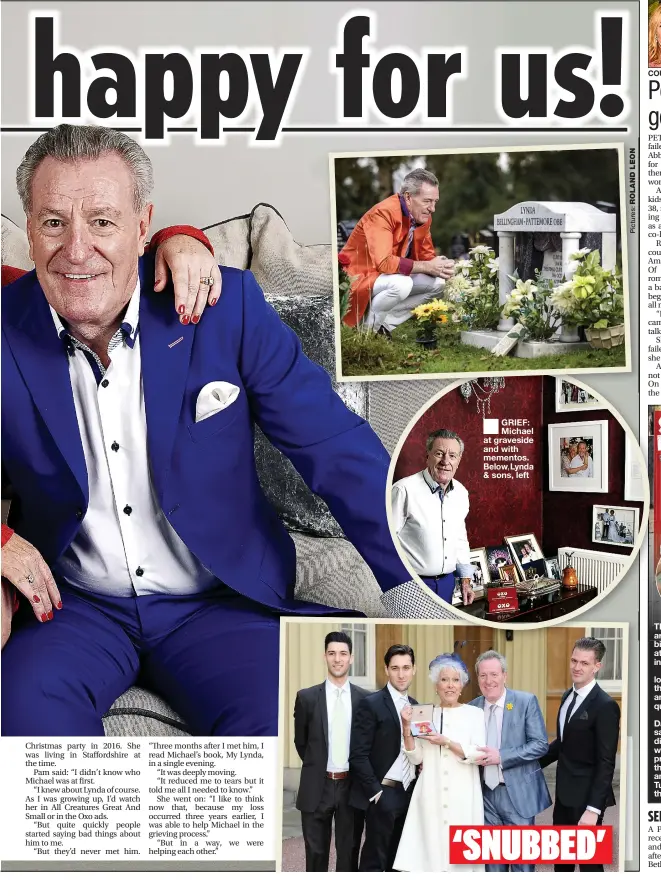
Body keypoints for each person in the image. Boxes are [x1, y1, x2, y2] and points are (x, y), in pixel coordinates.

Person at [1, 124, 417, 737]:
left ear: (144, 226)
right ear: (30, 228)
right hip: (72, 606)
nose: (77, 249)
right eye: (54, 223)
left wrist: (417, 582)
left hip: (221, 597)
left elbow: (333, 445)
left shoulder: (228, 309)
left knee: (289, 729)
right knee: (25, 728)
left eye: (103, 222)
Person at [393, 654, 486, 873]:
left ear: (462, 685)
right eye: (444, 680)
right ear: (436, 685)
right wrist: (406, 728)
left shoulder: (475, 714)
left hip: (463, 795)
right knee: (430, 859)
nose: (450, 686)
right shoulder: (424, 713)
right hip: (430, 793)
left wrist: (446, 742)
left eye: (455, 680)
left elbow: (479, 754)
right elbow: (416, 757)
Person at [540, 637, 621, 872]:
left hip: (588, 800)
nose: (577, 667)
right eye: (574, 660)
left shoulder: (605, 705)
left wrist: (593, 810)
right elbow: (562, 745)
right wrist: (528, 762)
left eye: (584, 663)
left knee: (590, 869)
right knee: (562, 865)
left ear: (597, 666)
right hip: (564, 797)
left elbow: (606, 762)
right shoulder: (567, 697)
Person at [340, 169, 454, 335]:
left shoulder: (422, 216)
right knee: (402, 284)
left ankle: (383, 326)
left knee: (438, 283)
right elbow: (384, 262)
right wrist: (427, 266)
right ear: (408, 197)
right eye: (427, 201)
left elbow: (427, 257)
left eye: (435, 201)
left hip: (385, 277)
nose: (432, 209)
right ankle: (366, 332)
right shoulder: (383, 213)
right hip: (357, 278)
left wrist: (444, 267)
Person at [469, 650, 552, 873]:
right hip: (485, 796)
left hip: (517, 795)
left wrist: (502, 756)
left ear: (504, 675)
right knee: (492, 865)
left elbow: (540, 744)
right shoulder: (472, 708)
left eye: (494, 674)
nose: (489, 681)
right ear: (478, 678)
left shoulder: (525, 702)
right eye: (483, 675)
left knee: (521, 866)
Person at [293, 631, 369, 872]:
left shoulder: (365, 700)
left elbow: (367, 744)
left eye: (343, 654)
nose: (338, 659)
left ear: (351, 658)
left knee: (348, 854)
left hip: (351, 786)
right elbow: (301, 742)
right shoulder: (306, 698)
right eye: (332, 653)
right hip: (318, 785)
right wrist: (318, 766)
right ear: (324, 656)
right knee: (315, 854)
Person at [349, 645, 418, 871]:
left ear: (413, 670)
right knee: (374, 861)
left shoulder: (417, 707)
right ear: (386, 670)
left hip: (409, 794)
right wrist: (376, 792)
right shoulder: (371, 703)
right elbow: (357, 754)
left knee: (400, 863)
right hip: (383, 794)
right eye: (395, 668)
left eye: (406, 668)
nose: (401, 674)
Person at [391, 428, 475, 605]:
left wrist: (465, 581)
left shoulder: (461, 493)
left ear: (459, 461)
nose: (445, 461)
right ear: (427, 456)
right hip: (413, 584)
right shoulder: (404, 490)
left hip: (447, 584)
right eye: (439, 453)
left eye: (452, 455)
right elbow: (386, 541)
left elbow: (459, 539)